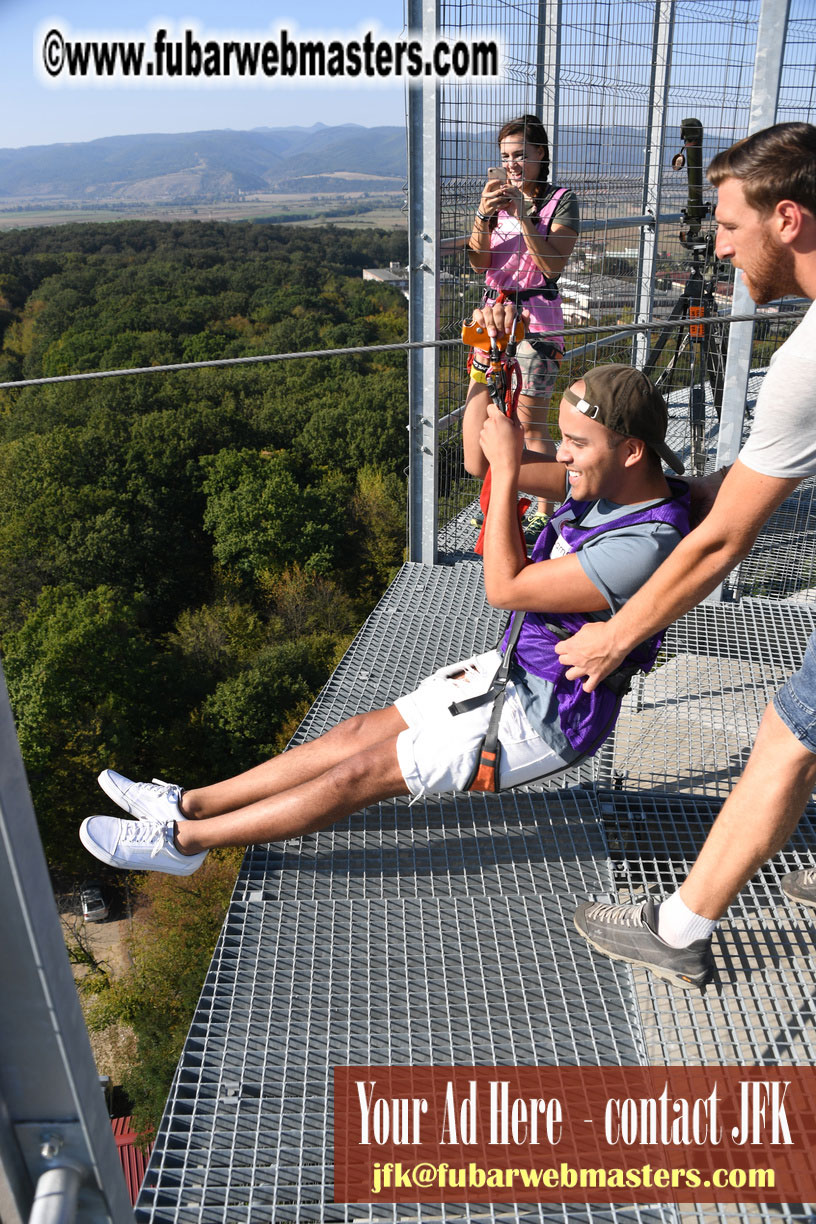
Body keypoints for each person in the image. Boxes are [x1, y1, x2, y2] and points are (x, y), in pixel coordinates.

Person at [80, 362, 689, 877]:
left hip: (549, 713)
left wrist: (510, 471)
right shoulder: (605, 481)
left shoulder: (644, 541)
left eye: (574, 445)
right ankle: (190, 804)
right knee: (353, 735)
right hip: (515, 670)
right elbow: (480, 460)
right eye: (561, 440)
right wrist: (482, 366)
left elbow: (504, 588)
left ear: (631, 451)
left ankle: (184, 846)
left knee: (361, 772)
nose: (561, 456)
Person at [553, 122, 816, 990]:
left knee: (789, 740)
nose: (720, 250)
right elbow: (744, 486)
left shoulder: (808, 360)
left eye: (730, 228)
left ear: (788, 218)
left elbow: (720, 541)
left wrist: (613, 637)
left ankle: (678, 928)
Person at [463, 114, 579, 531]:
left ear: (540, 155)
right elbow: (480, 264)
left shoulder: (561, 200)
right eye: (505, 157)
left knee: (530, 422)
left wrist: (524, 216)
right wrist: (483, 215)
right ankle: (506, 503)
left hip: (537, 320)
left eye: (519, 156)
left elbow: (551, 265)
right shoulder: (494, 204)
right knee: (492, 419)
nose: (511, 165)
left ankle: (547, 513)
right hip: (494, 320)